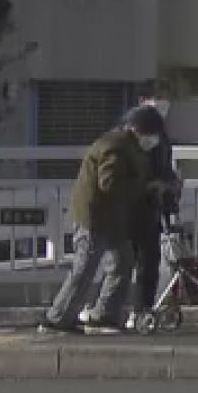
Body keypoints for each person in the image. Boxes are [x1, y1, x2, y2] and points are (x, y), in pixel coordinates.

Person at [40, 106, 163, 336]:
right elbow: (110, 184)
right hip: (95, 216)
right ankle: (57, 318)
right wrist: (144, 187)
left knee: (122, 262)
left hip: (113, 218)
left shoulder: (130, 146)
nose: (153, 140)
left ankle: (104, 315)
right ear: (138, 129)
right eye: (151, 133)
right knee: (85, 267)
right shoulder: (115, 146)